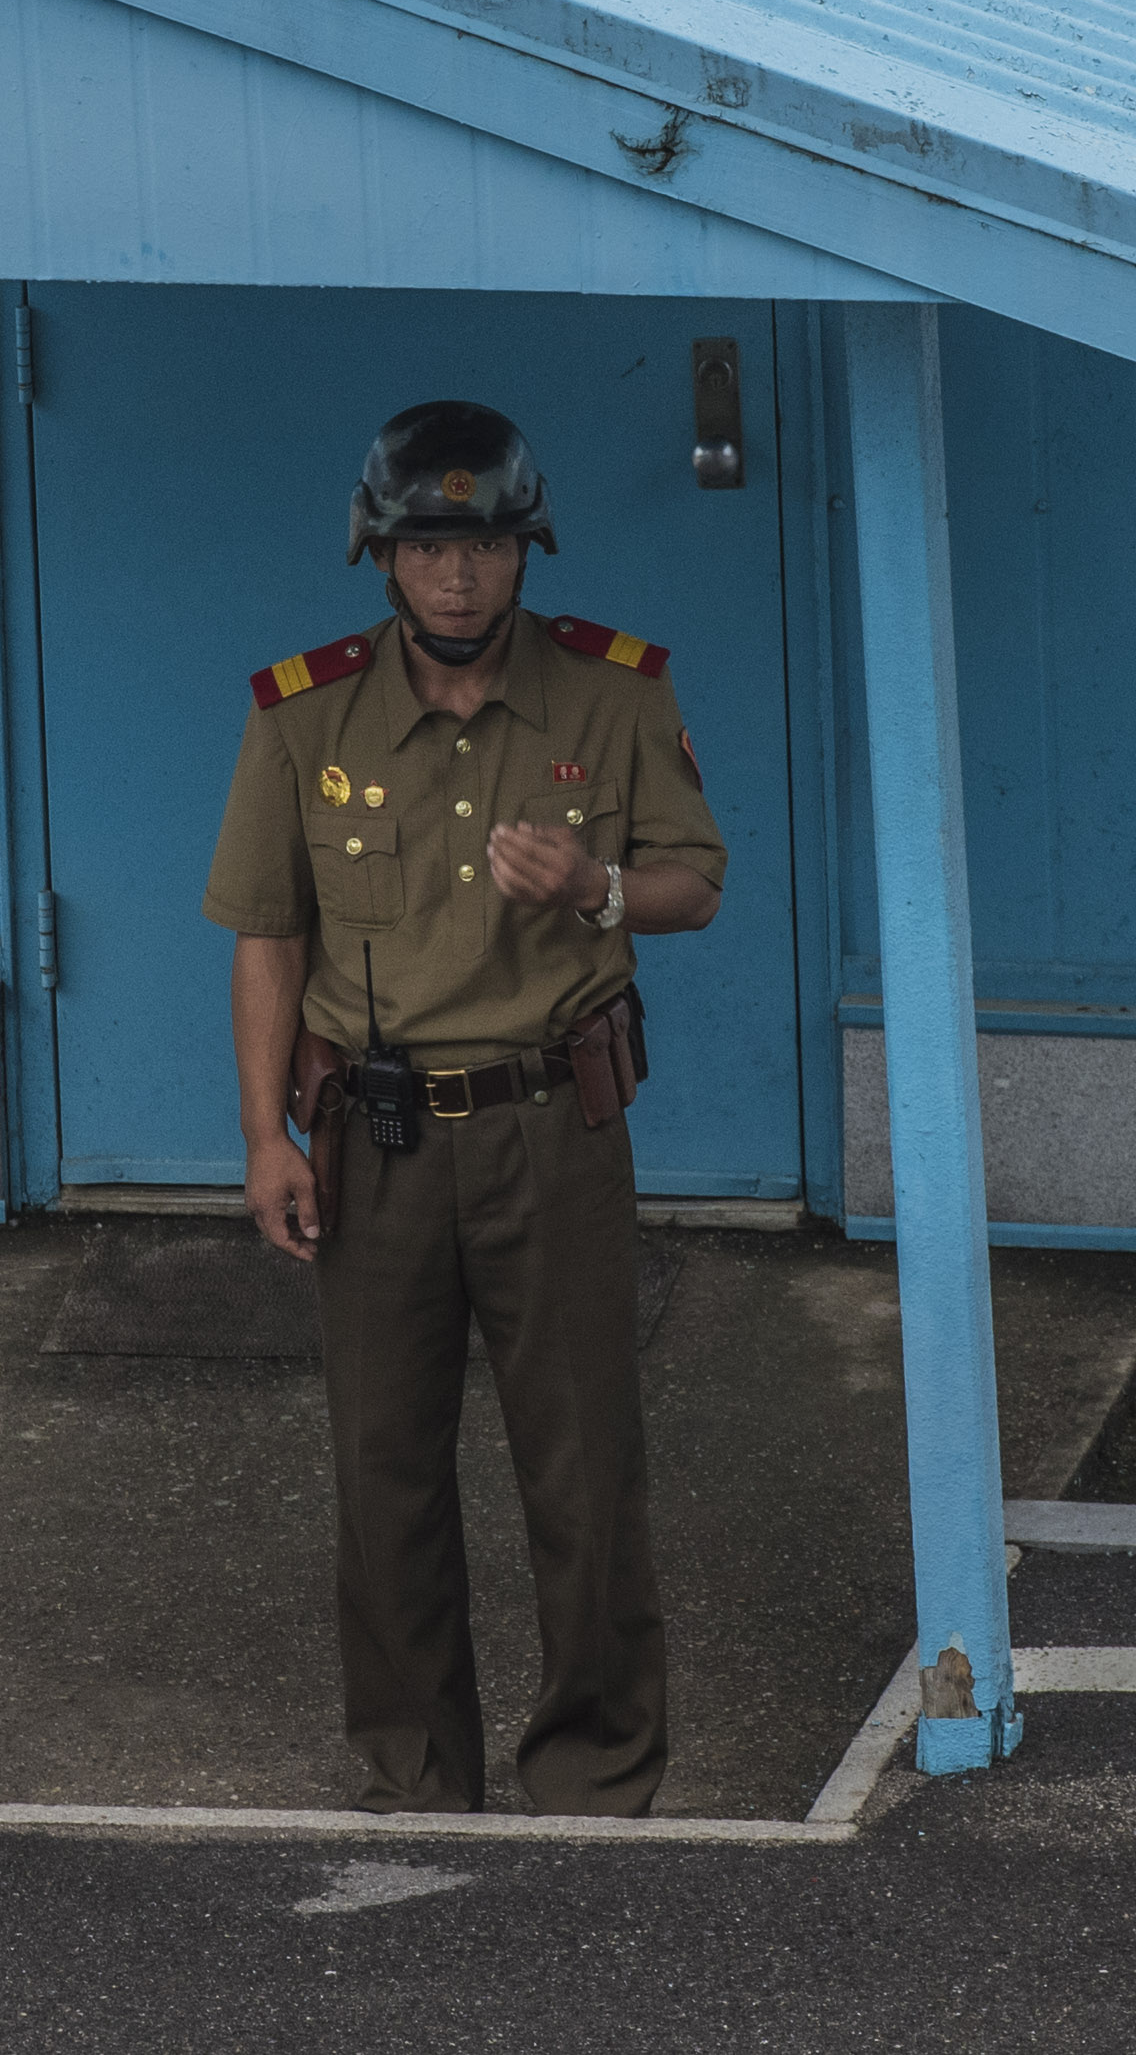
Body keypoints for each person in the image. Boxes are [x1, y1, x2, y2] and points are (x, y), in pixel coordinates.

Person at [207, 398, 724, 1815]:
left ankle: (598, 1772)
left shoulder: (613, 695)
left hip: (551, 1128)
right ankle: (416, 1769)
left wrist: (594, 886)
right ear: (380, 552)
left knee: (582, 1466)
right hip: (372, 1139)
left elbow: (697, 879)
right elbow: (268, 933)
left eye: (485, 543)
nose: (456, 574)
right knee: (383, 1473)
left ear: (524, 550)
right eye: (428, 544)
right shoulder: (302, 711)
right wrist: (264, 1135)